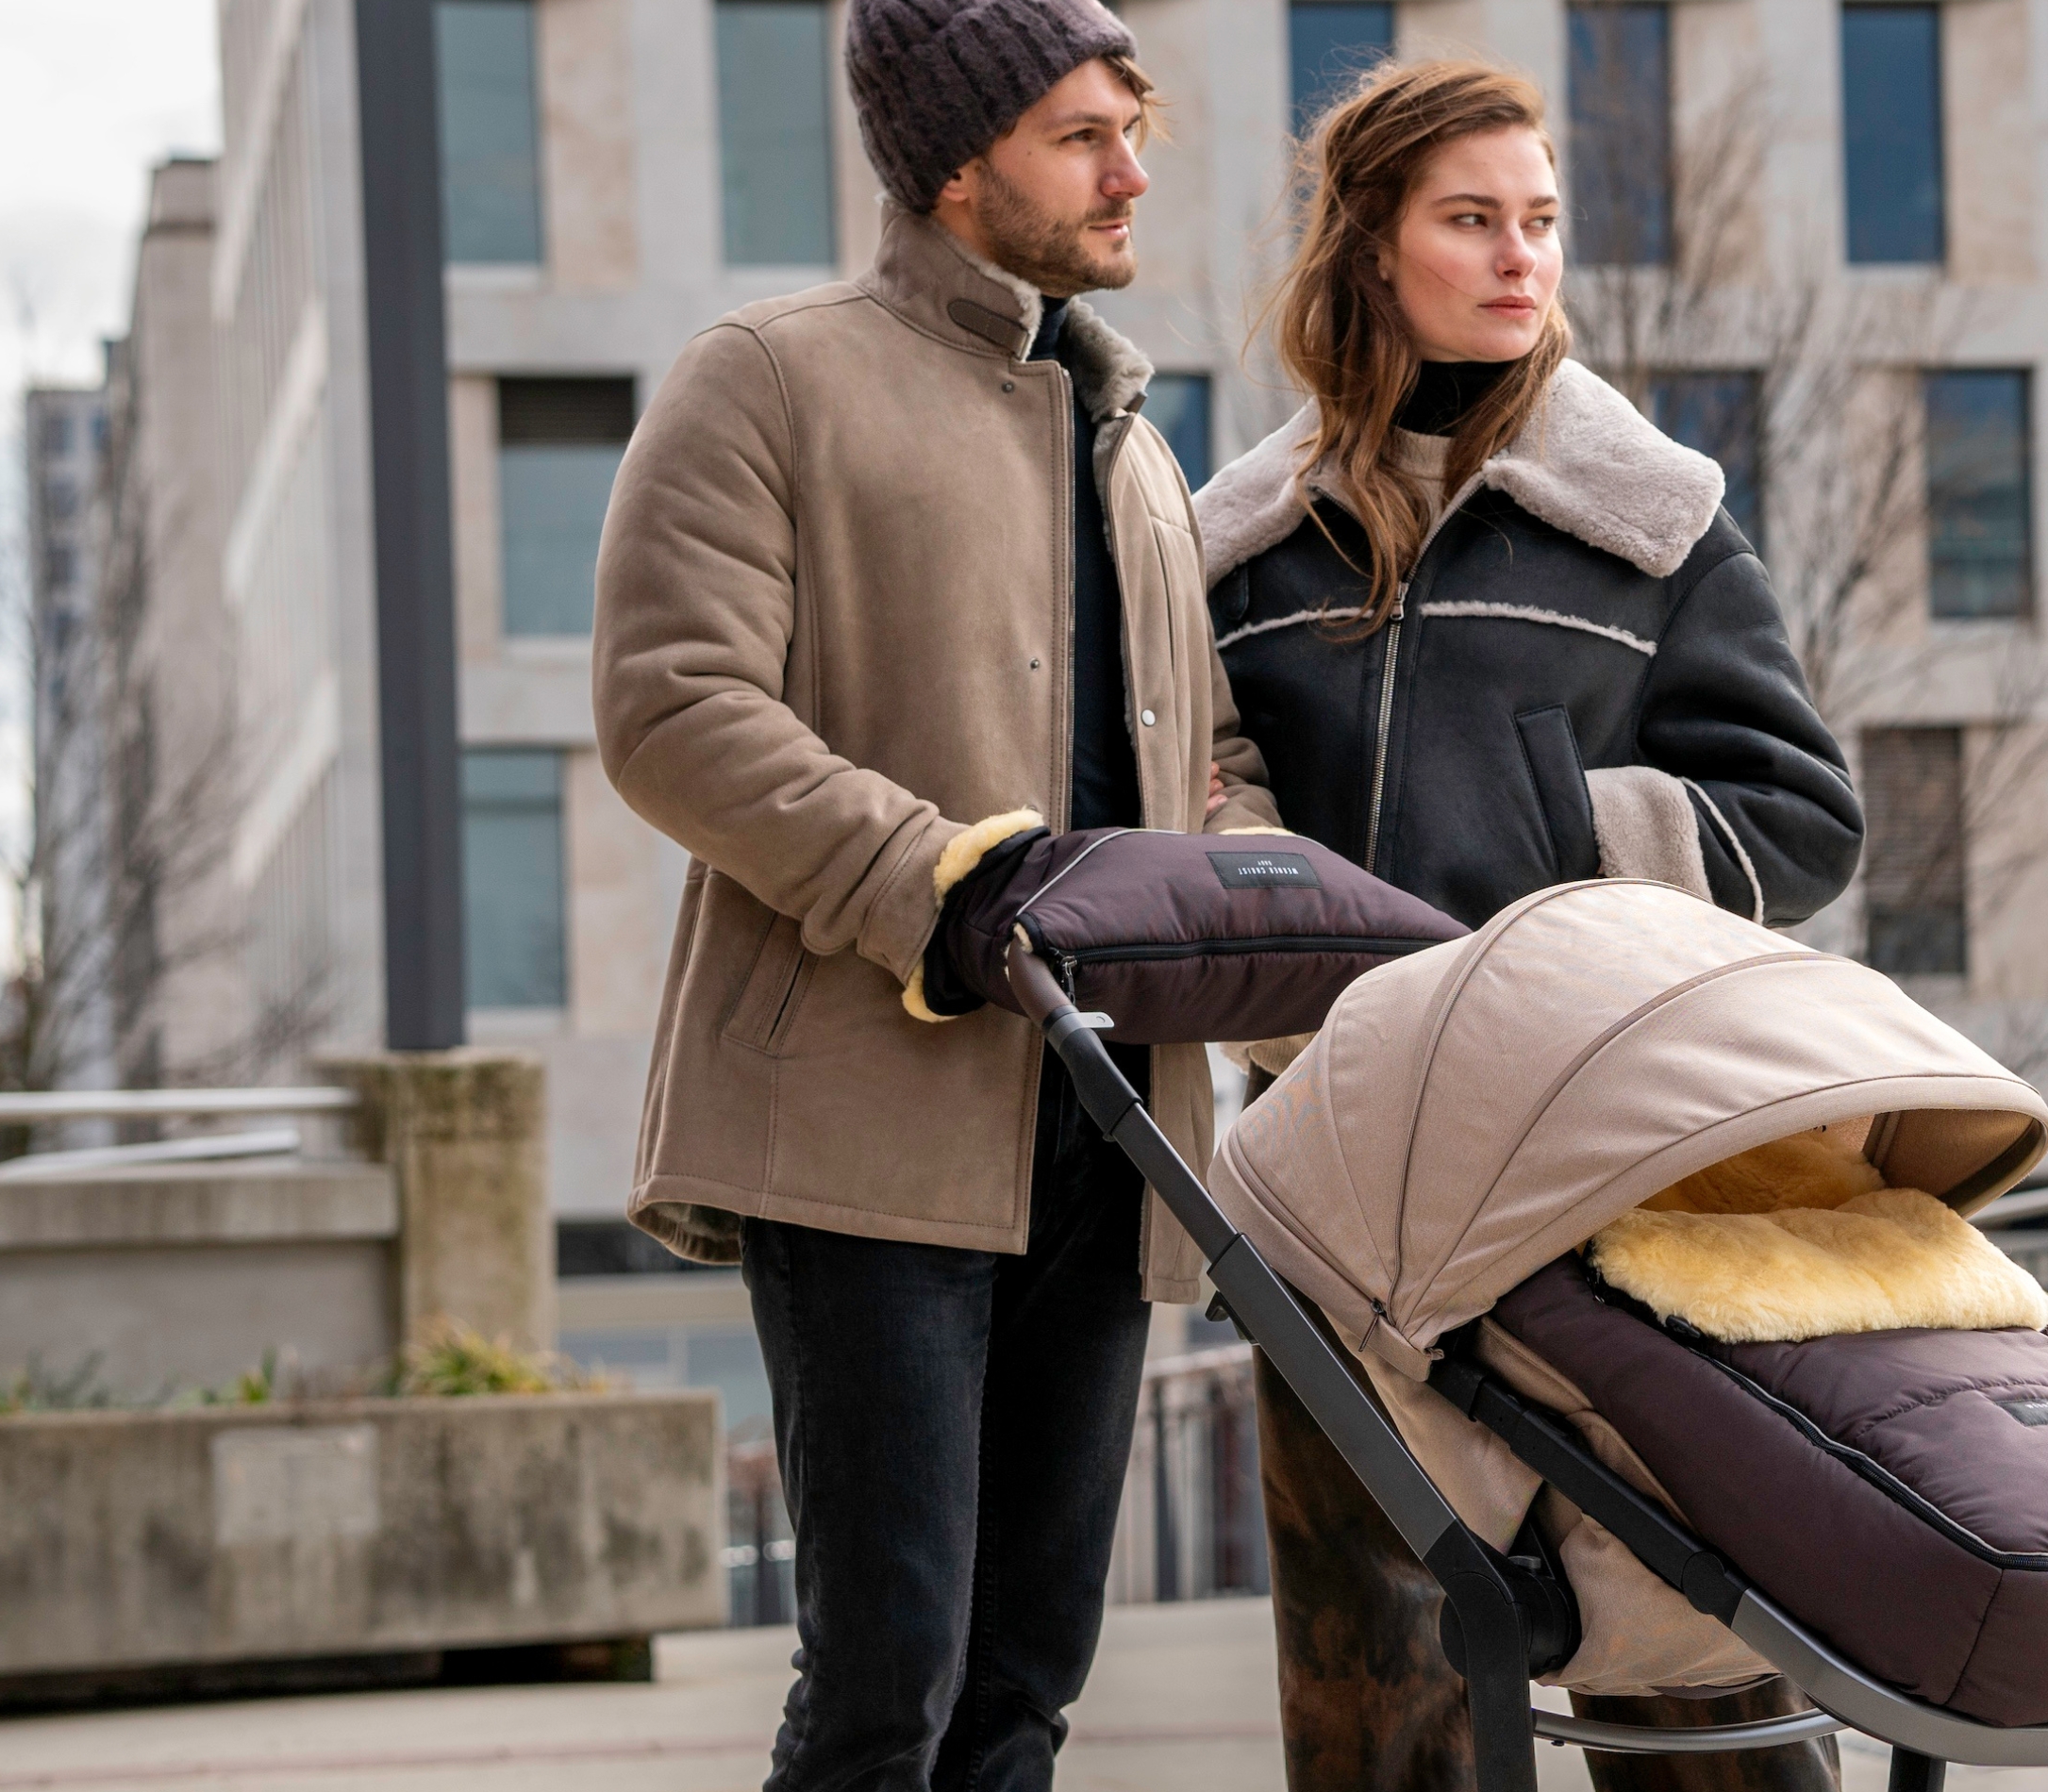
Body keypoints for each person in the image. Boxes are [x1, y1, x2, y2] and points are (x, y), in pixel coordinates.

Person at [591, 3, 1275, 1786]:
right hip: (862, 1114)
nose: (1132, 170)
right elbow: (672, 709)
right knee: (890, 1671)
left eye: (1135, 126)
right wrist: (942, 886)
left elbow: (1196, 761)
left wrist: (1271, 899)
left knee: (1026, 1680)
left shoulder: (1134, 446)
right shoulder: (770, 374)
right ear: (957, 165)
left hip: (1114, 1126)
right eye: (1081, 135)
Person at [1188, 59, 1866, 1792]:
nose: (1519, 260)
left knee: (1675, 1642)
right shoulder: (1241, 550)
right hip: (1337, 1180)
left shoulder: (1652, 523)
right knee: (1367, 1669)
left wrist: (1547, 870)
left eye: (1540, 222)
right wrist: (1293, 935)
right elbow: (1206, 788)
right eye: (1472, 221)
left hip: (1605, 1167)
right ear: (1369, 250)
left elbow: (1800, 816)